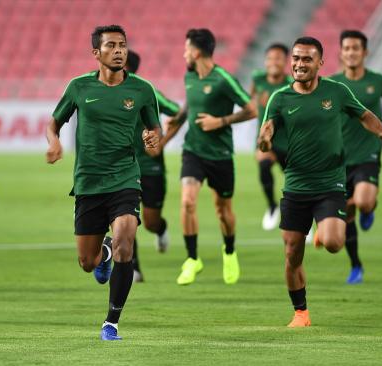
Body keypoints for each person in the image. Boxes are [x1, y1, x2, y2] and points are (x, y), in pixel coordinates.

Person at [258, 36, 382, 327]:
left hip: (330, 183)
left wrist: (381, 130)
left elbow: (364, 114)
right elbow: (265, 138)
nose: (299, 64)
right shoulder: (280, 98)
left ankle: (324, 229)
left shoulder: (336, 91)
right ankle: (301, 312)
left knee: (334, 243)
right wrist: (265, 139)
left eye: (307, 59)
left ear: (320, 63)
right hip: (295, 185)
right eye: (295, 58)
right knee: (292, 253)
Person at [45, 25, 161, 340]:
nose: (119, 50)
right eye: (111, 45)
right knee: (86, 262)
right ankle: (103, 255)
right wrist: (54, 143)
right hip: (88, 183)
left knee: (126, 239)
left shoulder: (142, 90)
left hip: (125, 178)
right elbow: (54, 123)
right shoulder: (79, 87)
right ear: (97, 53)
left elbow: (155, 132)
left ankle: (111, 322)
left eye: (122, 44)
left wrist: (153, 141)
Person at [163, 28, 256, 286]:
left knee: (223, 211)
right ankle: (192, 259)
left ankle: (229, 251)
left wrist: (221, 121)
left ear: (197, 51)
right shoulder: (189, 77)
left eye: (186, 49)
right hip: (193, 150)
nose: (184, 54)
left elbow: (251, 109)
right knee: (187, 202)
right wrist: (178, 120)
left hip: (220, 155)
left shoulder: (223, 79)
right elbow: (190, 105)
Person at [329, 30, 382, 284]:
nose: (351, 52)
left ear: (365, 52)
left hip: (368, 153)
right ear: (341, 53)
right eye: (347, 48)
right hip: (338, 159)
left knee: (362, 203)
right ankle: (356, 266)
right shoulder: (332, 84)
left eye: (356, 48)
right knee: (347, 216)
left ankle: (369, 207)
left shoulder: (377, 81)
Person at [124, 50, 180, 282]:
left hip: (151, 168)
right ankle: (133, 267)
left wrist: (162, 143)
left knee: (150, 221)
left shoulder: (148, 93)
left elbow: (178, 112)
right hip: (124, 168)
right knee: (125, 217)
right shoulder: (104, 92)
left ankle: (161, 229)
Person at [249, 43, 293, 231]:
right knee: (264, 165)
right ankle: (272, 207)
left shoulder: (292, 84)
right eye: (270, 58)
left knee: (294, 184)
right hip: (266, 140)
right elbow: (251, 100)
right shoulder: (258, 79)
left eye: (278, 58)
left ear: (285, 61)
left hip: (288, 142)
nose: (274, 62)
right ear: (265, 61)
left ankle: (301, 221)